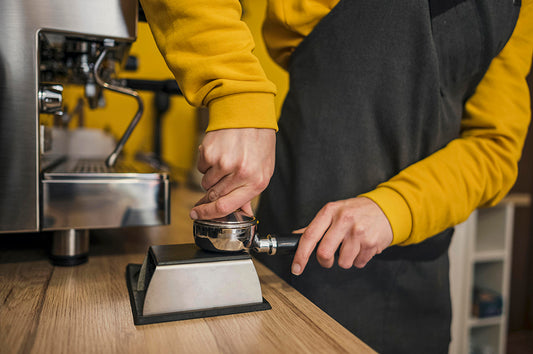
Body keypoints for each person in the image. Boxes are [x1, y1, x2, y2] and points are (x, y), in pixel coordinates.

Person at [140, 0, 533, 352]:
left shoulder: (516, 8)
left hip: (409, 284)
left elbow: (494, 146)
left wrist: (394, 209)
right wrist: (237, 94)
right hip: (285, 244)